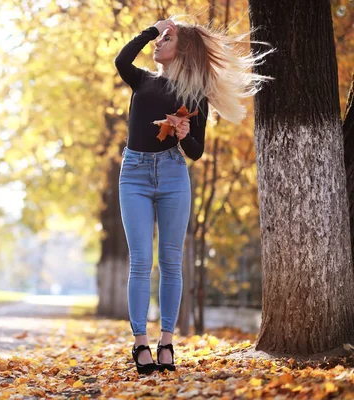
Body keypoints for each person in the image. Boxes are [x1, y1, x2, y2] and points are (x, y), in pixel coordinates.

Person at [114, 18, 271, 374]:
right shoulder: (143, 79)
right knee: (140, 260)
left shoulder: (195, 93)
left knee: (171, 262)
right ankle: (140, 343)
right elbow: (122, 61)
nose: (158, 44)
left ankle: (166, 342)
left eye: (167, 39)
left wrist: (184, 134)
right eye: (159, 38)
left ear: (182, 49)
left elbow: (197, 151)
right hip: (135, 174)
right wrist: (152, 31)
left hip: (172, 174)